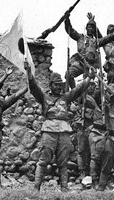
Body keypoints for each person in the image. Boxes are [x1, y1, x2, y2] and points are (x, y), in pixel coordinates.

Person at [27, 62, 94, 192]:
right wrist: (29, 73)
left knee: (63, 163)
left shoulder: (66, 97)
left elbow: (78, 89)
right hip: (49, 131)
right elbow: (34, 87)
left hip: (64, 132)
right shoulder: (44, 97)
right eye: (56, 85)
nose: (58, 87)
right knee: (43, 161)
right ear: (50, 85)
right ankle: (36, 188)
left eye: (60, 85)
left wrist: (89, 78)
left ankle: (64, 188)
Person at [64, 12, 102, 88]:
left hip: (90, 65)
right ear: (86, 28)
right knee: (68, 74)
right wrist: (67, 19)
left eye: (92, 28)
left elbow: (103, 39)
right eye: (89, 27)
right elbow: (70, 30)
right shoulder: (80, 37)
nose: (90, 29)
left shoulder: (96, 41)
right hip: (80, 63)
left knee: (87, 85)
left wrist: (93, 23)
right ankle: (74, 93)